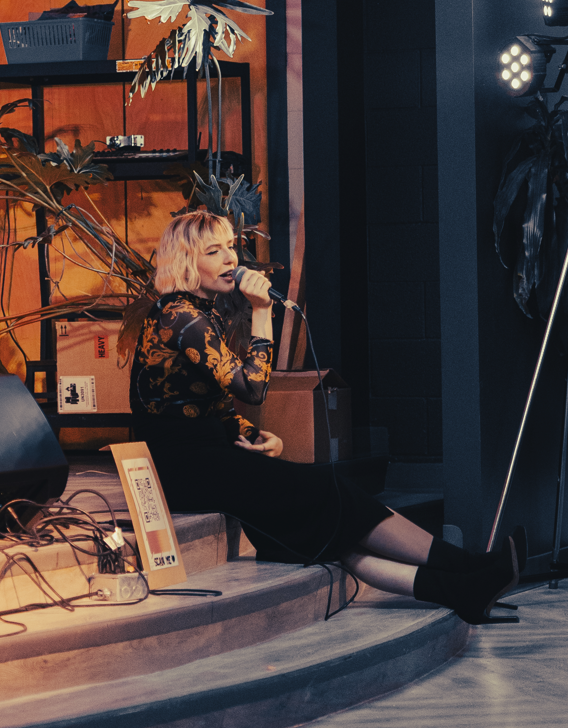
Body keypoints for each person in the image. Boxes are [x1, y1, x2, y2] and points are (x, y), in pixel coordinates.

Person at [130, 210, 524, 626]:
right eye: (214, 251)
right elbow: (251, 389)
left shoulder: (199, 312)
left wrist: (255, 434)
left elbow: (207, 404)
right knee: (332, 496)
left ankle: (463, 589)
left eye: (231, 246)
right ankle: (468, 567)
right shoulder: (181, 316)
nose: (232, 258)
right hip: (184, 468)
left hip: (207, 455)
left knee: (328, 528)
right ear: (186, 261)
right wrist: (262, 311)